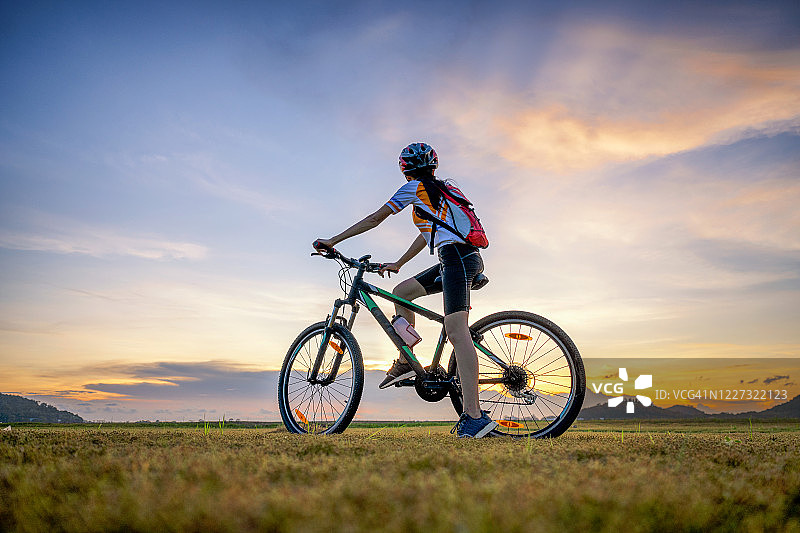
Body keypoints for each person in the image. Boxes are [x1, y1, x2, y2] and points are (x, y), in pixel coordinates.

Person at [313, 142, 497, 438]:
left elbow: (375, 219)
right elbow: (431, 234)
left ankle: (474, 416)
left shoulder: (414, 188)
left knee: (456, 330)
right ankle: (405, 359)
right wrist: (399, 262)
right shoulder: (442, 190)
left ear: (405, 168)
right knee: (402, 292)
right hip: (461, 257)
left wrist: (334, 241)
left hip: (456, 259)